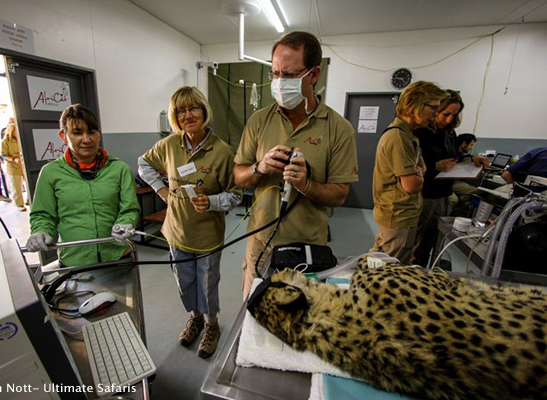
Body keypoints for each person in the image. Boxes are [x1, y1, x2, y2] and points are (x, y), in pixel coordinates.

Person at [234, 31, 359, 299]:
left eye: (289, 75)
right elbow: (238, 176)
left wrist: (305, 184)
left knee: (299, 320)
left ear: (313, 75)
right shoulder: (259, 121)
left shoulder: (339, 128)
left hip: (307, 247)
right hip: (260, 243)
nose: (279, 82)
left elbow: (339, 194)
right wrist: (259, 168)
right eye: (275, 73)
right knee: (254, 314)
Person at [138, 86, 241, 359]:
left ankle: (211, 324)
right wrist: (161, 191)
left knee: (207, 284)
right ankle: (195, 318)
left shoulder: (222, 151)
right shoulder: (169, 145)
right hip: (176, 231)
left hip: (207, 234)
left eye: (193, 108)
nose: (187, 115)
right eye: (180, 110)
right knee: (184, 282)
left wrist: (212, 202)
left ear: (204, 110)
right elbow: (143, 163)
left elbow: (236, 195)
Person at [26, 104, 140, 268]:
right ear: (63, 136)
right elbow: (43, 215)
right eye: (77, 133)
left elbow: (130, 208)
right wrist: (41, 231)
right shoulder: (50, 173)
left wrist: (125, 222)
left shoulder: (119, 169)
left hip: (118, 256)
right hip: (75, 260)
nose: (87, 139)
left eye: (92, 132)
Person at [370, 81, 447, 263]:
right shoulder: (397, 137)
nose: (435, 114)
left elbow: (423, 169)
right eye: (433, 108)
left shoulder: (410, 136)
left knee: (383, 261)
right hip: (398, 215)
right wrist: (419, 174)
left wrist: (419, 172)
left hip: (403, 214)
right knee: (388, 268)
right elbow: (412, 185)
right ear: (415, 104)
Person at [411, 90, 481, 266]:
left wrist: (469, 159)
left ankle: (425, 272)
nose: (449, 119)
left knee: (432, 240)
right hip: (424, 194)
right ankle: (412, 271)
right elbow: (412, 164)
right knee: (416, 241)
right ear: (435, 111)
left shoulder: (449, 133)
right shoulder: (420, 132)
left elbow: (453, 156)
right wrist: (435, 166)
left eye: (454, 115)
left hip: (443, 193)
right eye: (445, 114)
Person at [450, 133, 487, 216]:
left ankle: (456, 213)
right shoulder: (453, 153)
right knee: (454, 199)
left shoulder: (464, 156)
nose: (471, 148)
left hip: (457, 182)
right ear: (464, 144)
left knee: (472, 192)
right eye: (471, 145)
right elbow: (459, 158)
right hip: (450, 181)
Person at [0, 124, 27, 211]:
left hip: (23, 164)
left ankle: (29, 200)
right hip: (12, 165)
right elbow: (3, 155)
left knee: (29, 184)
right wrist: (13, 159)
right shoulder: (5, 141)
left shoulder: (22, 138)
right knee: (16, 186)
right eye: (16, 131)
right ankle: (19, 204)